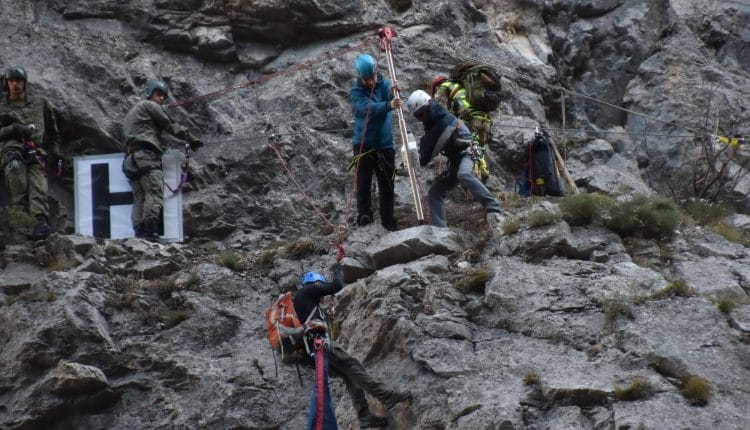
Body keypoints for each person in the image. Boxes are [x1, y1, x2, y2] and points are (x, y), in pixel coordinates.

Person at [293, 264, 412, 428]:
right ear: (315, 283)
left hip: (315, 348)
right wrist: (337, 270)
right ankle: (386, 396)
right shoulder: (307, 291)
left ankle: (364, 417)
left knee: (349, 377)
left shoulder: (304, 302)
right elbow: (336, 286)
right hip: (321, 343)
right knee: (352, 365)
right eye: (320, 285)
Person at [405, 89, 506, 230]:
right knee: (435, 192)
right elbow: (429, 146)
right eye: (417, 116)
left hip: (467, 153)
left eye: (421, 114)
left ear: (428, 107)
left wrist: (415, 152)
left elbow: (427, 153)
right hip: (455, 160)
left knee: (464, 174)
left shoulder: (443, 120)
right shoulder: (433, 122)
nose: (420, 119)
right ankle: (440, 230)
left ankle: (493, 205)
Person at [121, 79, 202, 241]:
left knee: (140, 198)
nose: (162, 98)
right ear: (150, 94)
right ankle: (150, 232)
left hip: (131, 160)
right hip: (146, 156)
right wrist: (191, 139)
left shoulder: (131, 114)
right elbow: (170, 125)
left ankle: (140, 233)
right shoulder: (149, 106)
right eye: (159, 94)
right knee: (154, 193)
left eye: (164, 96)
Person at [0, 67, 62, 240]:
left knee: (38, 186)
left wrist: (55, 154)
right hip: (11, 150)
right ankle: (19, 225)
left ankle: (40, 223)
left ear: (24, 83)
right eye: (12, 81)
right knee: (17, 180)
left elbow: (54, 133)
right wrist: (13, 129)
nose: (15, 84)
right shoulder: (2, 107)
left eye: (18, 81)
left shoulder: (40, 102)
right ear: (7, 83)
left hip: (36, 150)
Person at [350, 54, 401, 231]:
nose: (370, 82)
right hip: (363, 144)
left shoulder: (386, 85)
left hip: (385, 145)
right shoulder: (356, 92)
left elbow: (391, 95)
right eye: (366, 79)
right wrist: (389, 104)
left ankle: (388, 219)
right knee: (363, 181)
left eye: (372, 77)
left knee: (387, 183)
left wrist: (394, 93)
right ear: (360, 77)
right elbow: (367, 108)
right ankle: (364, 215)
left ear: (376, 73)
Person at [431, 75, 493, 182]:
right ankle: (483, 172)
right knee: (479, 146)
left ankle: (475, 175)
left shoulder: (444, 87)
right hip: (485, 119)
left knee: (471, 145)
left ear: (437, 86)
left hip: (470, 118)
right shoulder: (463, 87)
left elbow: (439, 106)